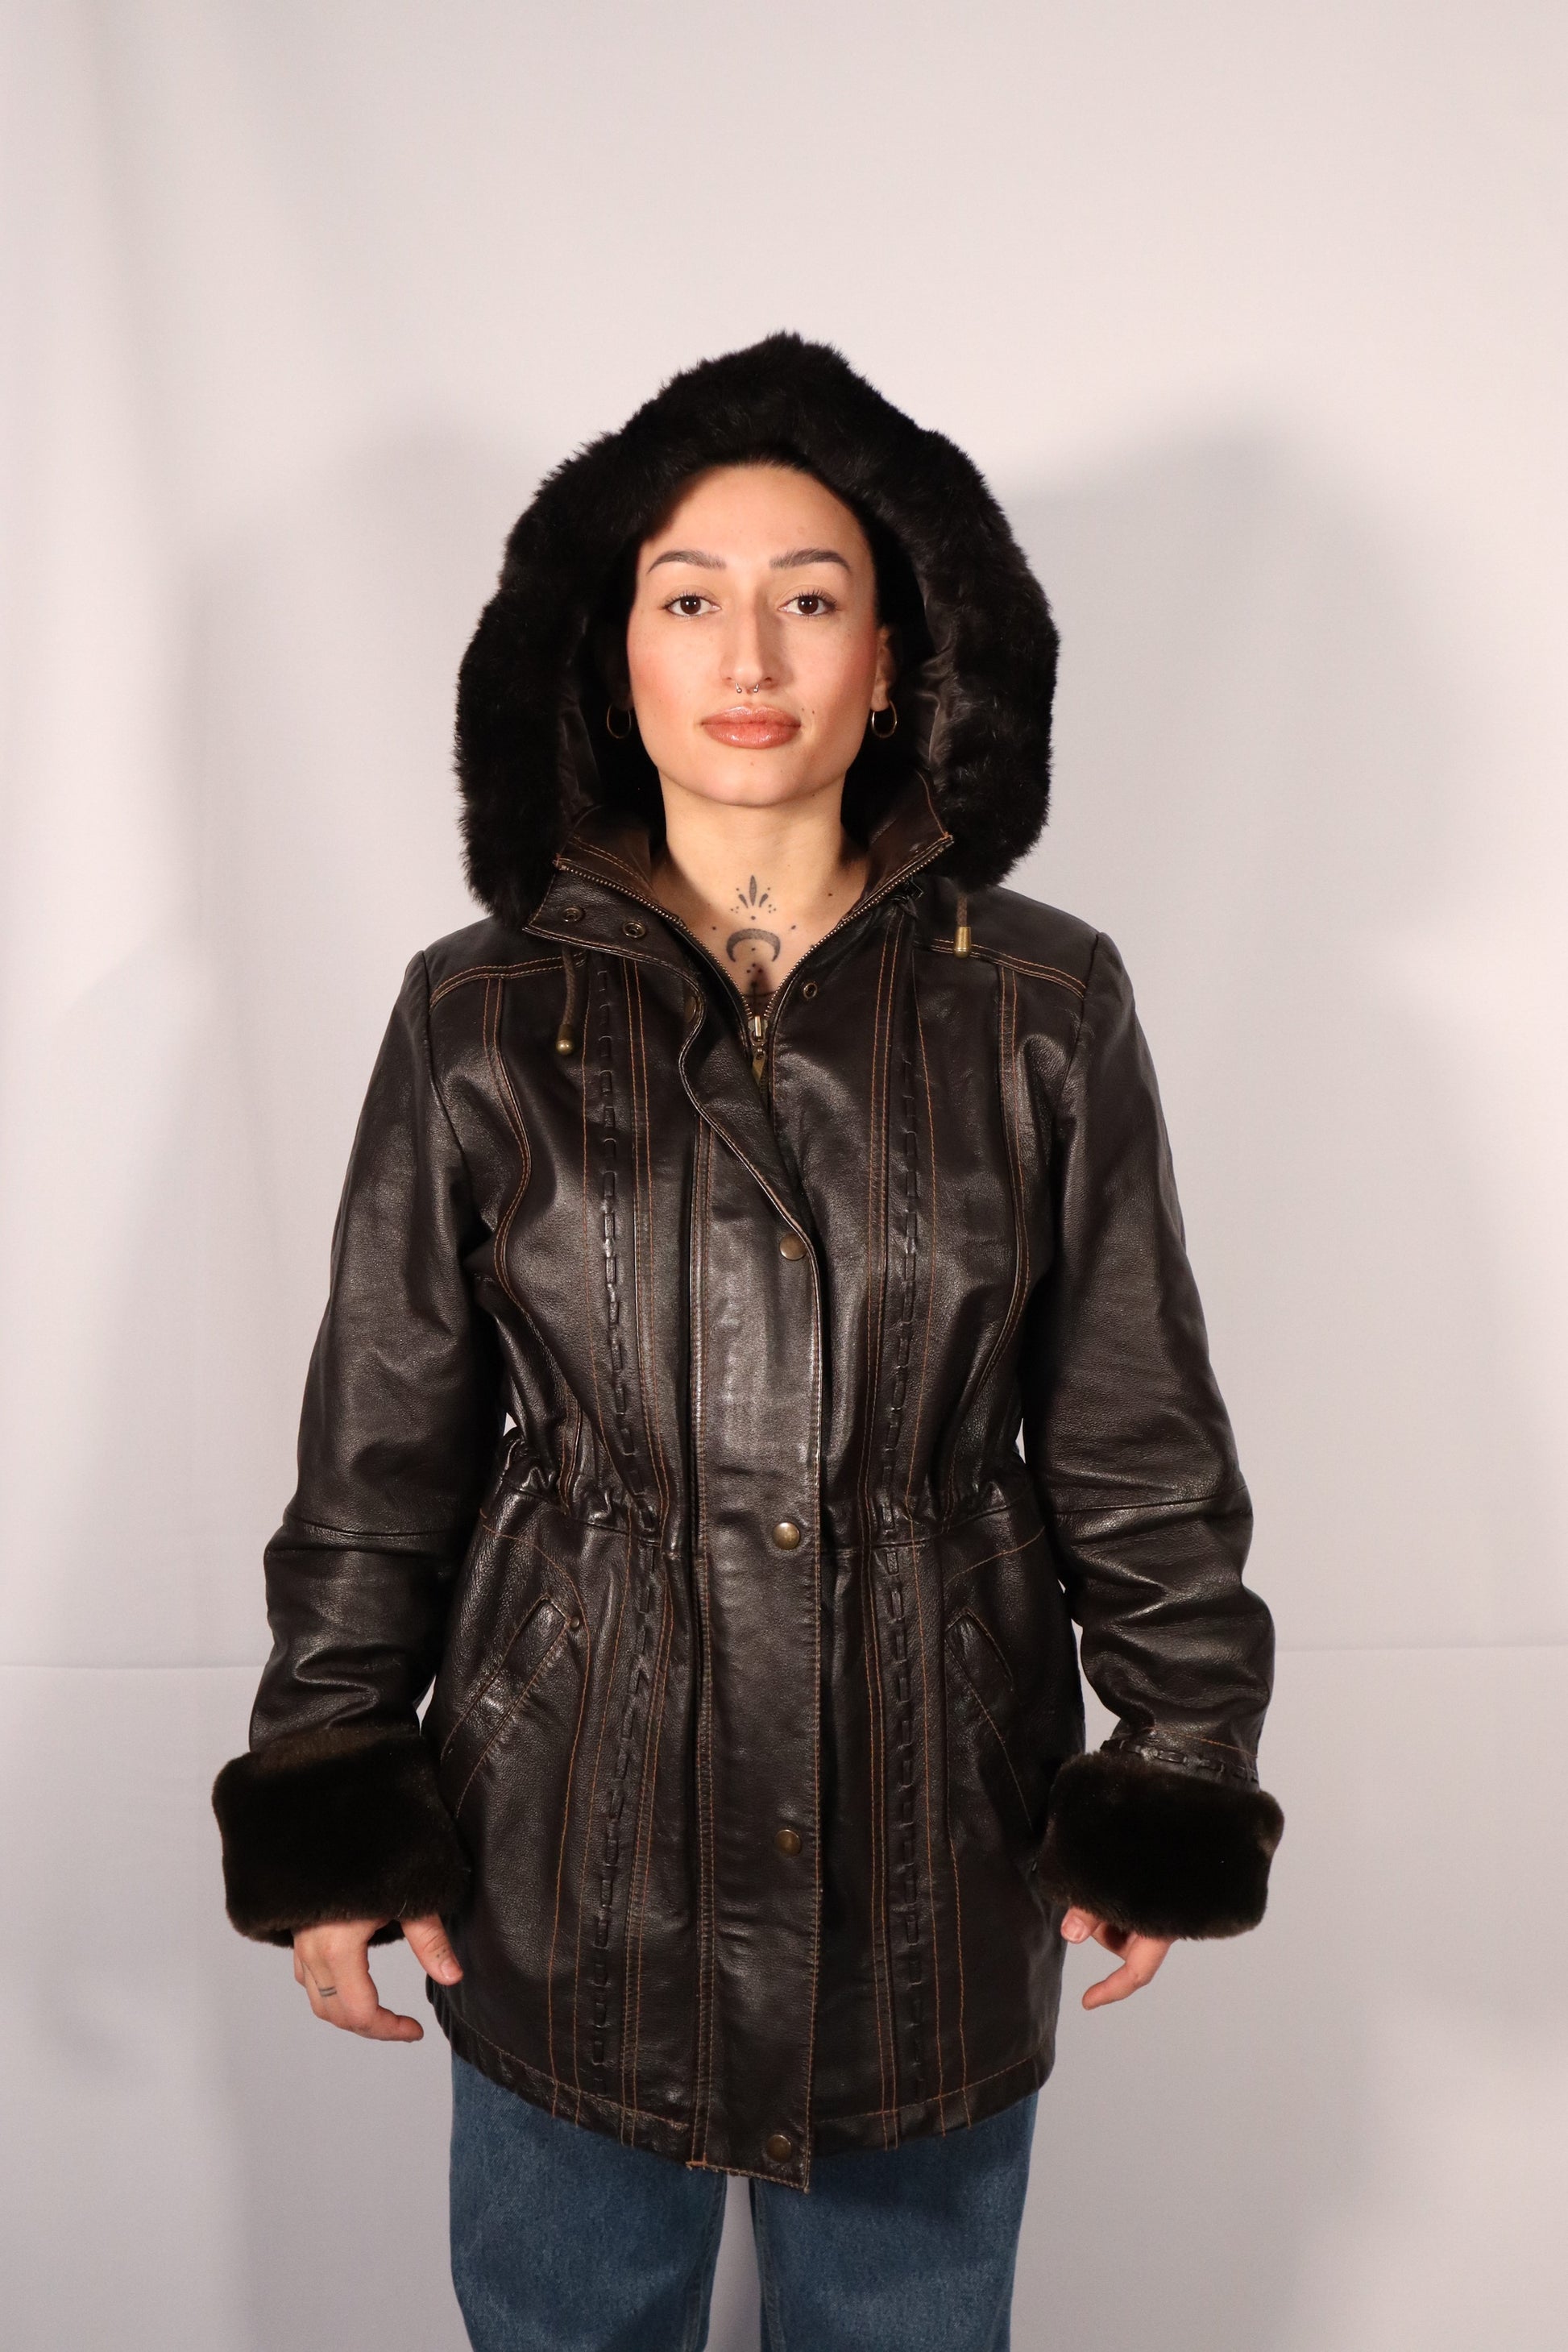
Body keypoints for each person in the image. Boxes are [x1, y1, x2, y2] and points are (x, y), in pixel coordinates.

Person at [213, 334, 1282, 2352]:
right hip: (565, 1842)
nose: (751, 652)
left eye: (811, 596)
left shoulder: (1041, 1004)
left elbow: (1129, 1421)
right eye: (689, 598)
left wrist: (1176, 1749)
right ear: (606, 655)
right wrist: (334, 1781)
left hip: (933, 1840)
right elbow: (380, 1448)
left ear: (896, 661)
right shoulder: (478, 1013)